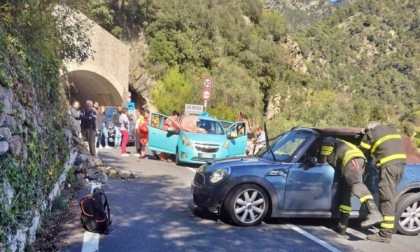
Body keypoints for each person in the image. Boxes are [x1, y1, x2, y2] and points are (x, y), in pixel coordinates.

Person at [319, 137, 383, 235]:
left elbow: (324, 154)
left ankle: (374, 213)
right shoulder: (342, 144)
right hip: (356, 160)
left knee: (355, 184)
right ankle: (342, 226)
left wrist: (321, 159)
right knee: (346, 193)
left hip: (352, 160)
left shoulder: (327, 140)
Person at [360, 121, 407, 243]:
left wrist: (365, 134)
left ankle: (385, 234)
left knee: (386, 198)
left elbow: (360, 152)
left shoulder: (371, 134)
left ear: (370, 128)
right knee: (390, 196)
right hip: (400, 166)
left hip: (388, 168)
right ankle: (385, 228)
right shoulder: (392, 129)